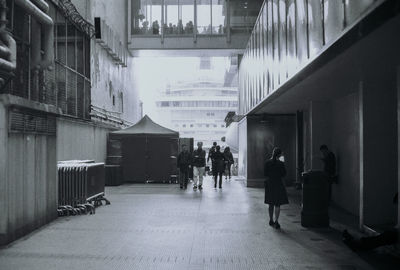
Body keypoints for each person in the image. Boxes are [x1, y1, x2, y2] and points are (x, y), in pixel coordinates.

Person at [264, 147, 288, 229]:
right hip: (278, 184)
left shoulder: (267, 162)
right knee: (277, 204)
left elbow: (265, 174)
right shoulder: (281, 163)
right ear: (279, 154)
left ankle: (271, 220)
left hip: (270, 184)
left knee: (270, 204)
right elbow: (283, 175)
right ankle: (276, 221)